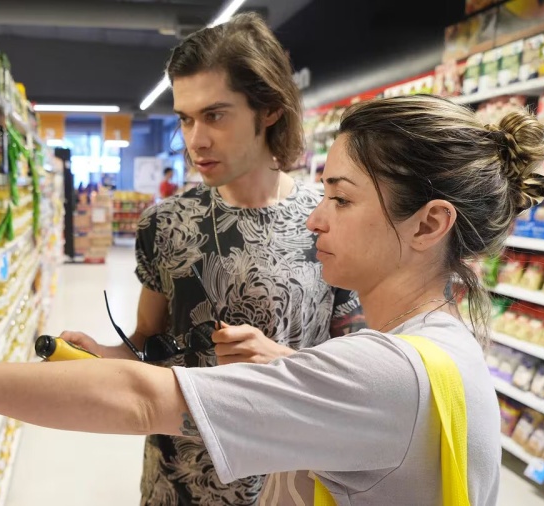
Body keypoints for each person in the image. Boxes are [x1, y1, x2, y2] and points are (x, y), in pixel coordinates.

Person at [0, 95, 544, 506]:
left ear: (429, 224)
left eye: (341, 197)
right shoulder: (437, 348)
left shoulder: (387, 374)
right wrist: (288, 365)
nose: (314, 219)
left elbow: (141, 399)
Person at [59, 12, 362, 505]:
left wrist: (284, 362)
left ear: (269, 109)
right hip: (179, 480)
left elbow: (357, 372)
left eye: (215, 115)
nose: (195, 139)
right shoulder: (165, 224)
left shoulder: (327, 220)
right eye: (185, 118)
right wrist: (102, 355)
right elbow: (148, 342)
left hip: (285, 482)